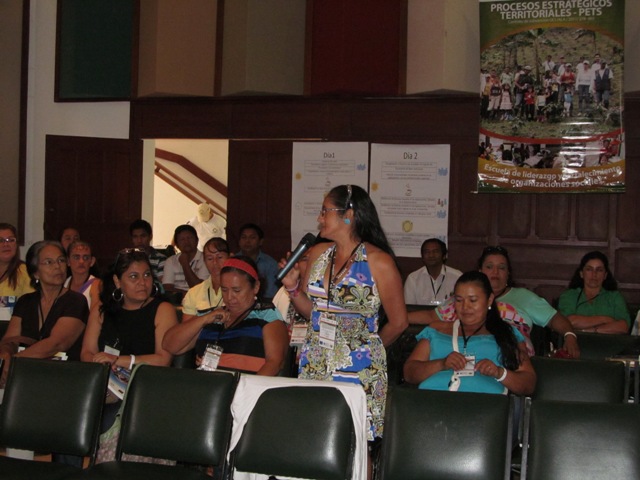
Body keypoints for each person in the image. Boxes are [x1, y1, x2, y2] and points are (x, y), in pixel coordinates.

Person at [279, 184, 408, 447]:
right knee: (316, 441)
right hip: (316, 361)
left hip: (359, 367)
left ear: (348, 215)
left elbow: (399, 322)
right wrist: (292, 288)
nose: (319, 218)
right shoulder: (318, 253)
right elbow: (313, 312)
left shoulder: (378, 261)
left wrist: (366, 350)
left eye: (325, 211)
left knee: (356, 444)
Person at [81, 248, 177, 429]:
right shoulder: (102, 311)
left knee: (102, 416)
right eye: (133, 277)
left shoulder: (162, 309)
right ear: (117, 281)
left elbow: (163, 359)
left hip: (144, 384)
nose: (142, 282)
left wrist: (117, 360)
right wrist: (102, 369)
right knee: (76, 407)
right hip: (105, 380)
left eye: (147, 275)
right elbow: (87, 351)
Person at [404, 272, 536, 395]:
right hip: (432, 402)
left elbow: (528, 384)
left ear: (489, 300)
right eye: (459, 300)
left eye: (473, 300)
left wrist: (499, 372)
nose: (465, 307)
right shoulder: (437, 330)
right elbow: (409, 373)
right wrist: (441, 364)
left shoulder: (505, 334)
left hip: (484, 407)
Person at [163, 256, 289, 375]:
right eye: (224, 290)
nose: (229, 297)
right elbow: (169, 345)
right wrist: (204, 319)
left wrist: (244, 387)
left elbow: (275, 363)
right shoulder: (212, 315)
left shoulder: (267, 316)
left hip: (246, 386)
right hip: (207, 385)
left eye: (236, 290)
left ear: (255, 287)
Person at [0, 241, 88, 384]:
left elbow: (57, 343)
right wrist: (5, 355)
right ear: (35, 272)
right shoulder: (25, 301)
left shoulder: (76, 301)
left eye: (61, 260)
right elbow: (10, 339)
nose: (57, 266)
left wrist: (15, 361)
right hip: (25, 376)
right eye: (49, 262)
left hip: (63, 377)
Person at [478, 246, 580, 358]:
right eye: (489, 267)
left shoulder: (523, 297)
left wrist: (570, 335)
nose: (495, 272)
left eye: (501, 268)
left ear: (508, 273)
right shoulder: (468, 298)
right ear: (480, 271)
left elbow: (554, 318)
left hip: (518, 359)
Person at [558, 251, 630, 334]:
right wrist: (605, 319)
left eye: (599, 270)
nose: (594, 274)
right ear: (581, 273)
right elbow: (568, 322)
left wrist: (591, 330)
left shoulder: (614, 297)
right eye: (589, 269)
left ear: (605, 275)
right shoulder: (569, 295)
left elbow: (623, 326)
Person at [181, 237, 229, 320]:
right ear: (204, 261)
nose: (215, 262)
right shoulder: (194, 293)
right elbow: (186, 326)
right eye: (210, 258)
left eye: (220, 257)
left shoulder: (239, 289)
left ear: (230, 257)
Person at [404, 238, 462, 306]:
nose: (431, 255)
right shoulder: (413, 278)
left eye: (435, 251)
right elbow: (409, 307)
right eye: (427, 252)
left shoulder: (457, 277)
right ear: (422, 257)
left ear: (444, 256)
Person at [0, 223, 34, 321]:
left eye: (11, 240)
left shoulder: (26, 272)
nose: (6, 244)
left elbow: (31, 308)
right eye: (1, 240)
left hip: (14, 327)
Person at [162, 224, 209, 296]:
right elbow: (167, 288)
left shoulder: (206, 259)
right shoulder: (170, 261)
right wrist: (186, 294)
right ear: (177, 244)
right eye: (182, 239)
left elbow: (199, 289)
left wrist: (185, 264)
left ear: (197, 240)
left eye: (190, 238)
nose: (186, 242)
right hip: (177, 299)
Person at [236, 223, 279, 301]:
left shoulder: (270, 264)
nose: (247, 241)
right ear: (239, 241)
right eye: (244, 237)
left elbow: (271, 295)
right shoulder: (233, 261)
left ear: (260, 241)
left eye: (252, 237)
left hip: (262, 304)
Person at [64, 240, 101, 310]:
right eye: (76, 257)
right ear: (68, 261)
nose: (81, 261)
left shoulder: (97, 285)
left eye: (86, 257)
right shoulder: (64, 283)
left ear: (92, 261)